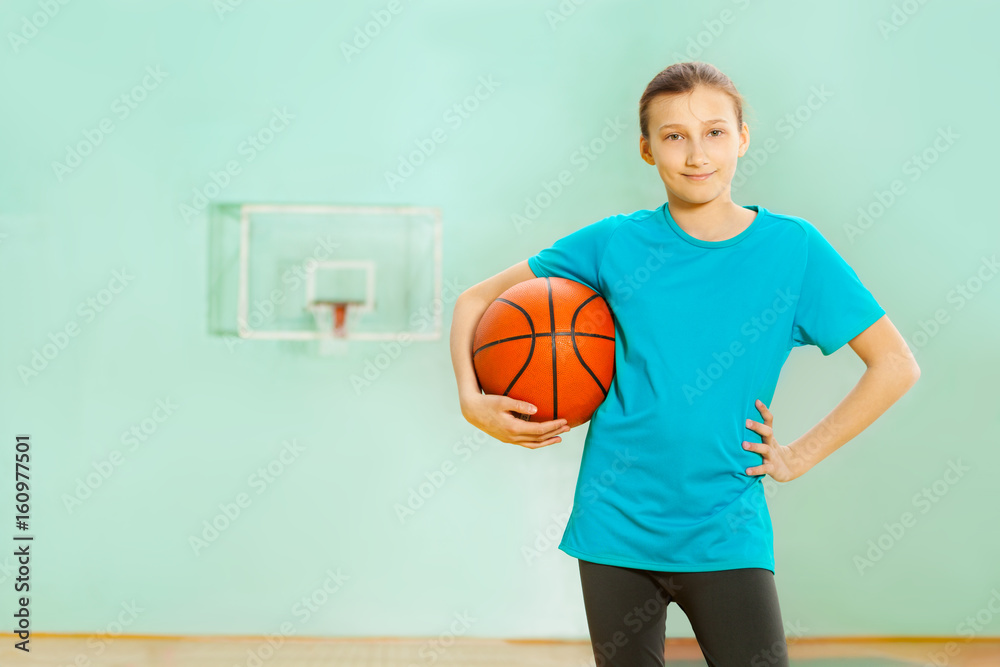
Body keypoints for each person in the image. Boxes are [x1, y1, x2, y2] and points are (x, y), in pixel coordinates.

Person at [449, 61, 920, 667]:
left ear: (743, 138)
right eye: (674, 136)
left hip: (727, 528)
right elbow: (474, 301)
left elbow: (894, 365)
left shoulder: (793, 249)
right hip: (615, 522)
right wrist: (473, 402)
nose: (697, 154)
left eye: (715, 132)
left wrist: (798, 456)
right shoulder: (615, 242)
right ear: (647, 150)